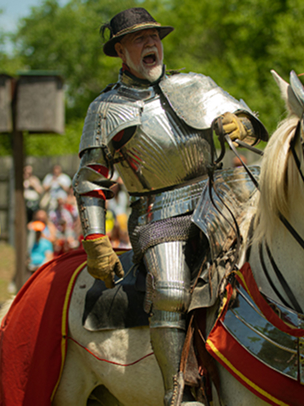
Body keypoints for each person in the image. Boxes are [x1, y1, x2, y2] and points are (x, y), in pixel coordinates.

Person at [73, 8, 268, 406]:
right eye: (140, 39)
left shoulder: (194, 84)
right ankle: (179, 392)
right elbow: (90, 181)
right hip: (160, 213)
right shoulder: (106, 110)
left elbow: (248, 122)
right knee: (170, 291)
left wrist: (243, 124)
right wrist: (95, 239)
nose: (151, 44)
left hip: (222, 195)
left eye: (155, 37)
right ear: (121, 51)